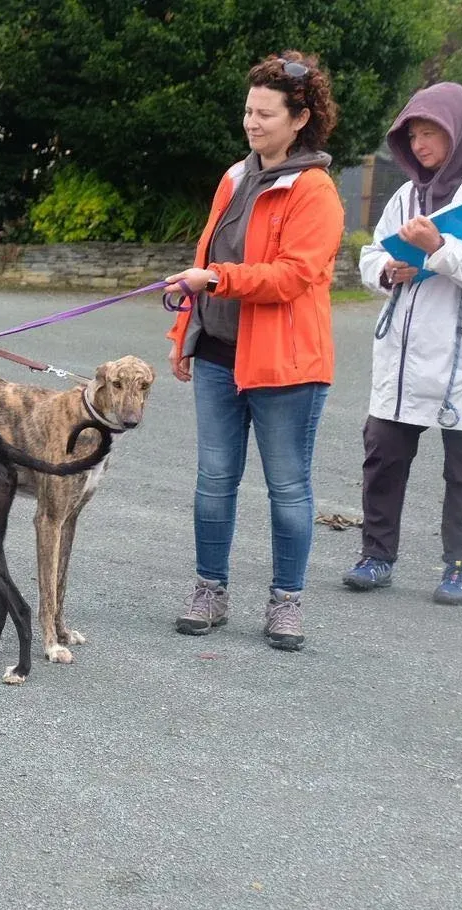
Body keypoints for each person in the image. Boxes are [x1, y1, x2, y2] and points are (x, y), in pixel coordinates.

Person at [164, 51, 345, 650]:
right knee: (213, 480)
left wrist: (218, 280)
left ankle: (286, 601)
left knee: (288, 487)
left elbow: (294, 275)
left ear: (300, 119)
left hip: (286, 366)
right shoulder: (234, 178)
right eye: (248, 110)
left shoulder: (315, 190)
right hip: (218, 354)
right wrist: (185, 332)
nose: (252, 122)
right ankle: (208, 590)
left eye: (266, 113)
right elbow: (203, 256)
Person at [348, 82, 462, 606]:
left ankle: (460, 566)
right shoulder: (406, 192)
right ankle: (376, 554)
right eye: (412, 135)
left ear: (458, 133)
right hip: (406, 350)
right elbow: (370, 256)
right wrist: (388, 269)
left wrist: (440, 250)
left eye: (430, 133)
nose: (420, 145)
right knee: (383, 454)